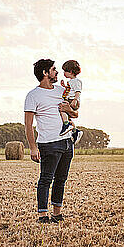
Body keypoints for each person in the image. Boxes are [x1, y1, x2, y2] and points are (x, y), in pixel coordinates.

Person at [24, 58, 78, 224]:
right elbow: (28, 124)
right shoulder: (33, 96)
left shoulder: (61, 90)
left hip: (67, 142)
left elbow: (75, 113)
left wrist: (68, 108)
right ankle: (42, 215)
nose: (57, 72)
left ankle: (57, 213)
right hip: (48, 144)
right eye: (54, 69)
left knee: (61, 180)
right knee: (46, 179)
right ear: (45, 73)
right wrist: (33, 148)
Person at [58, 60, 83, 144]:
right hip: (71, 99)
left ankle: (66, 125)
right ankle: (75, 131)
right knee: (67, 116)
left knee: (62, 109)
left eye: (65, 71)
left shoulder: (76, 81)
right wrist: (64, 86)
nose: (64, 73)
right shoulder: (71, 81)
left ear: (71, 72)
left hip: (72, 100)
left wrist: (75, 100)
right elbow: (70, 89)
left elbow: (77, 92)